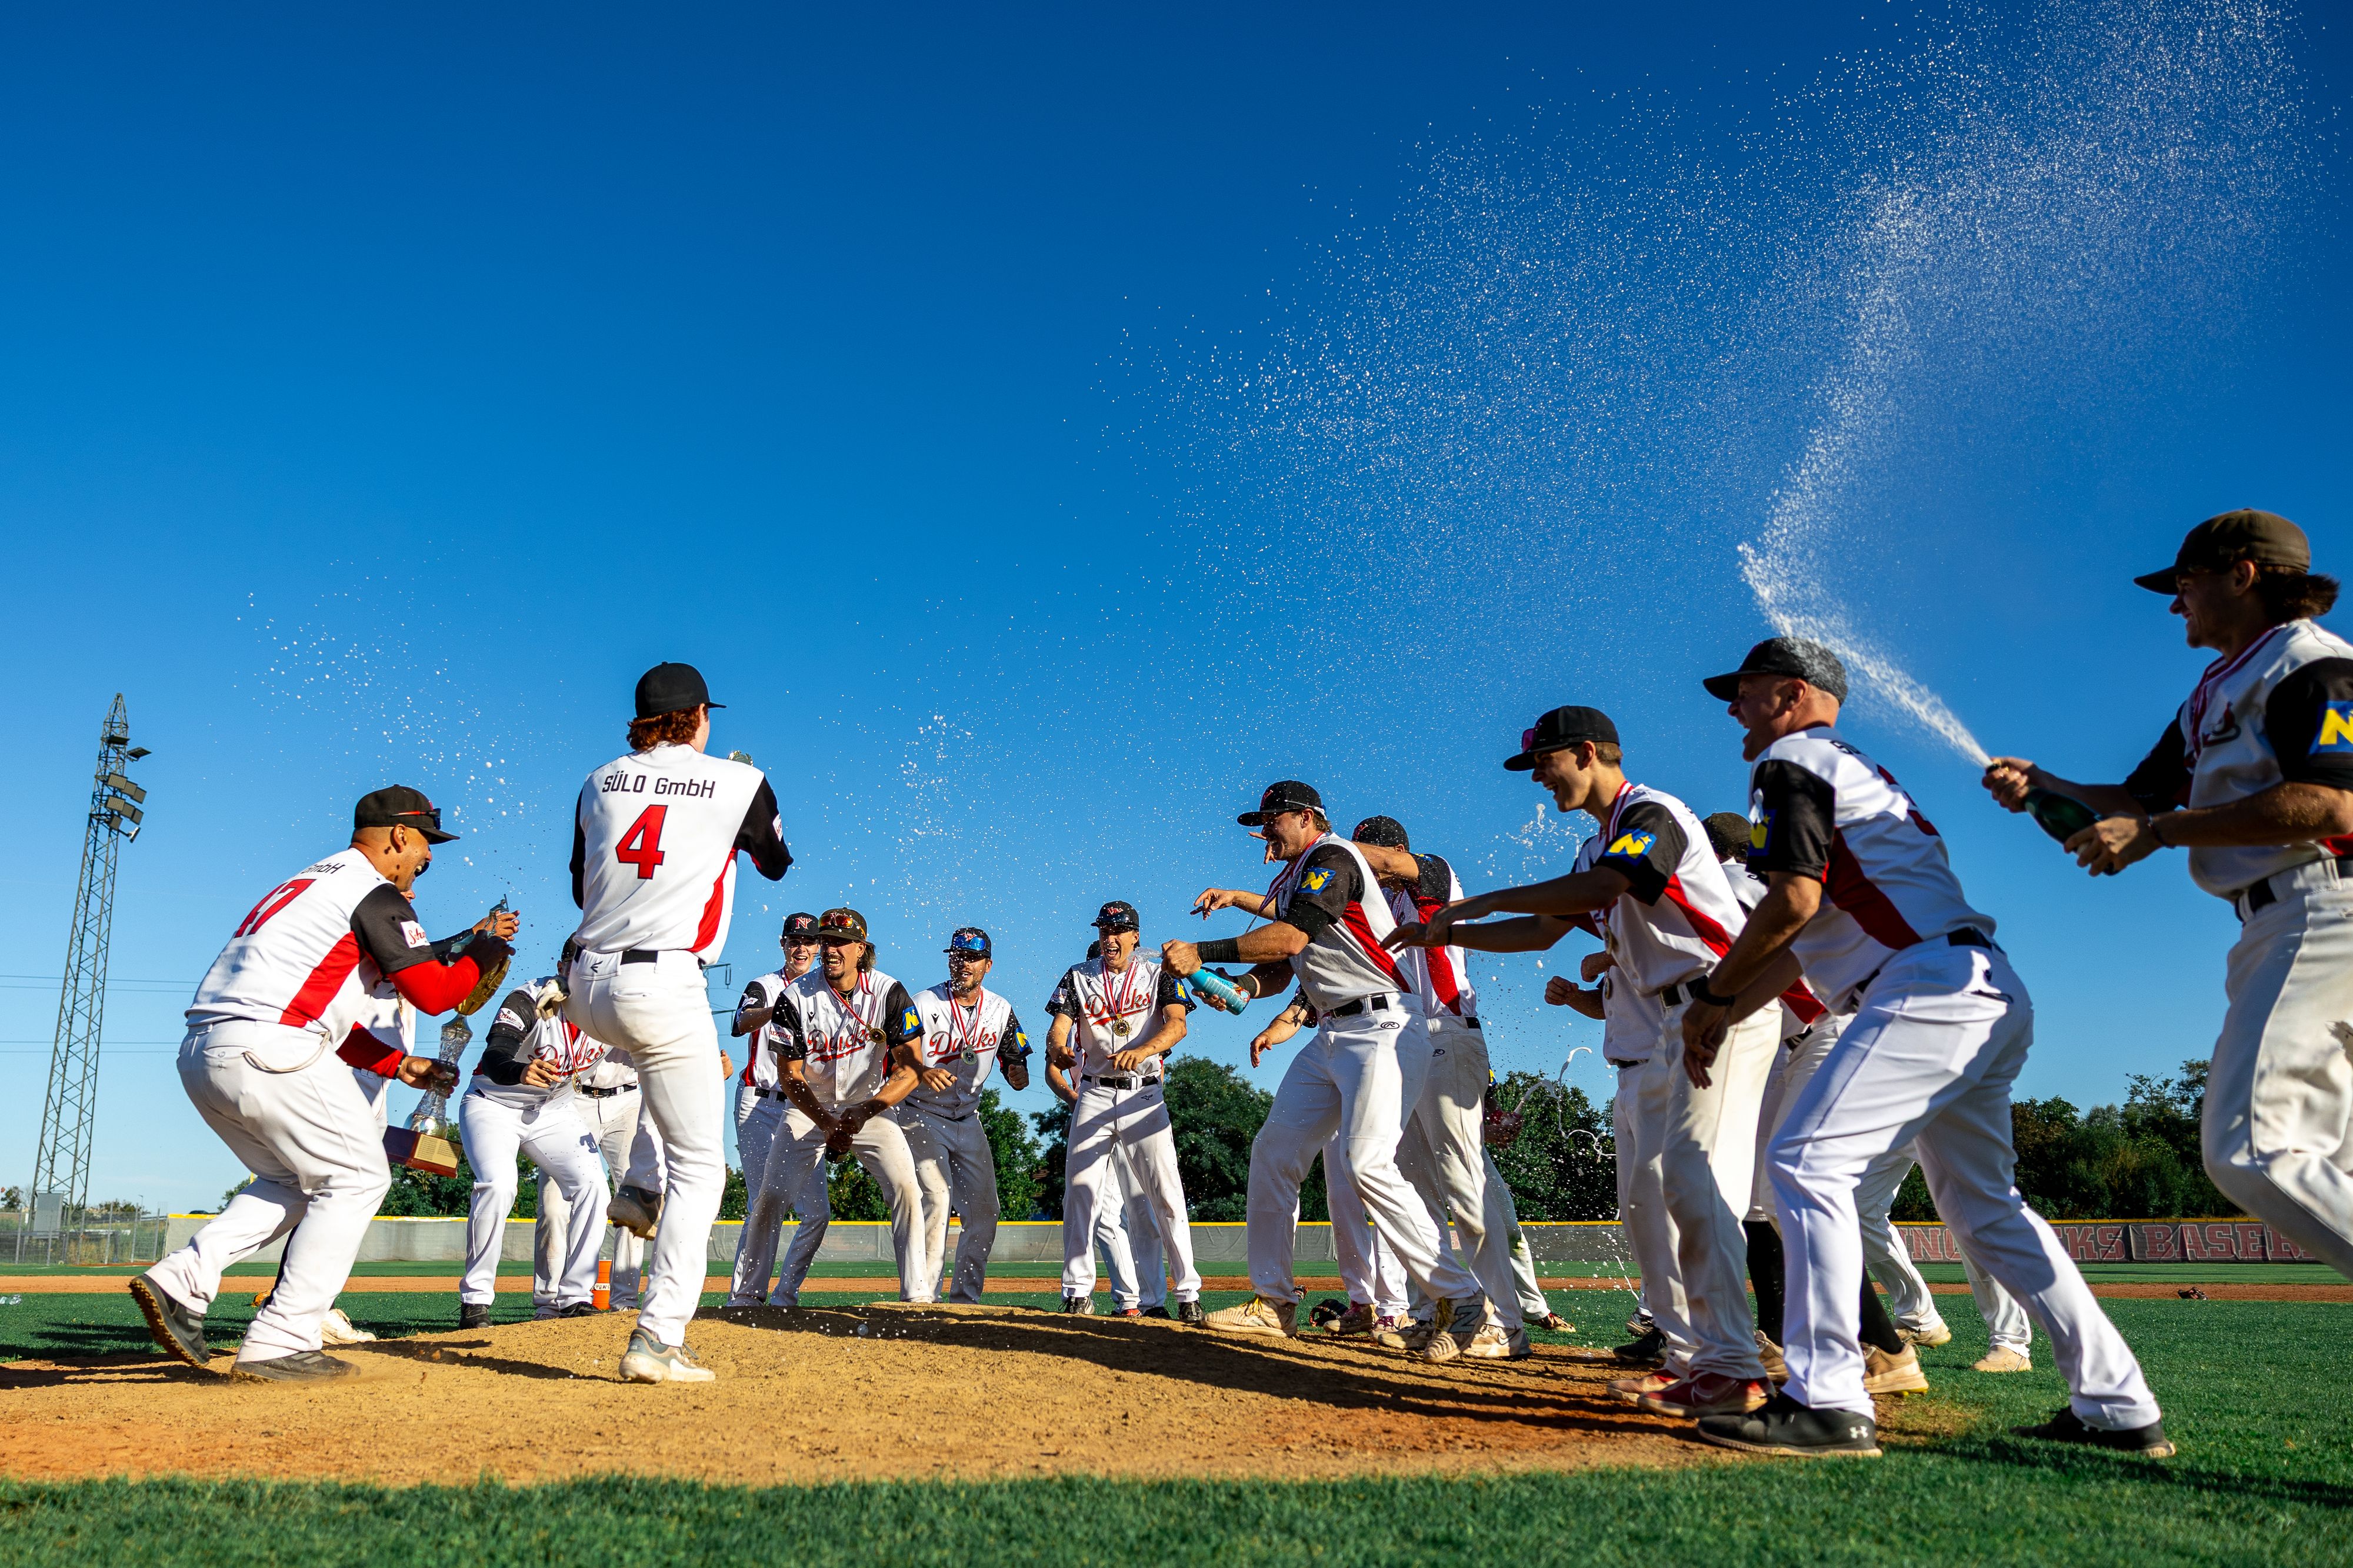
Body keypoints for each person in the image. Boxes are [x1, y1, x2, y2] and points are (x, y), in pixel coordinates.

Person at [1682, 635, 2167, 1459]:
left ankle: (1828, 1399)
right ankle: (2118, 1406)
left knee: (1804, 1162)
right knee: (1986, 1209)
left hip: (1925, 989)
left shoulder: (1788, 762)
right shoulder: (1854, 770)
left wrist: (1716, 992)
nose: (1734, 705)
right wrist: (1729, 1008)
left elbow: (1792, 902)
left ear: (1792, 694)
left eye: (1747, 689)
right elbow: (1812, 935)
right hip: (1978, 985)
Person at [1984, 510, 2353, 1279]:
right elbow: (2134, 798)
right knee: (2331, 1164)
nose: (2174, 602)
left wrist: (2159, 832)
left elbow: (2331, 805)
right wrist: (2046, 787)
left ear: (2244, 573)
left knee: (2254, 1148)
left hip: (2323, 910)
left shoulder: (2313, 664)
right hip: (2284, 917)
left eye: (2185, 582)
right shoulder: (2218, 688)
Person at [1396, 710, 1784, 1415]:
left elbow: (1608, 889)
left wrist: (1470, 903)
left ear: (1585, 752)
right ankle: (1688, 1356)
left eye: (1545, 761)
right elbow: (1544, 925)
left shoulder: (1651, 812)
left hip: (1719, 1009)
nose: (1540, 778)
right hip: (1666, 1025)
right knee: (1643, 1205)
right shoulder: (1592, 847)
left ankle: (1736, 1362)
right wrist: (1447, 928)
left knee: (1692, 1183)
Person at [132, 786, 516, 1380]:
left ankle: (182, 1280)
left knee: (294, 1180)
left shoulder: (311, 884)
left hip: (206, 1051)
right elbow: (438, 995)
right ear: (396, 835)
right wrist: (483, 945)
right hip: (268, 1048)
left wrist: (396, 1064)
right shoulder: (373, 889)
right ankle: (283, 1336)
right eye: (423, 843)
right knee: (360, 1174)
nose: (426, 858)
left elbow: (317, 1013)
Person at [1168, 782, 1485, 1350]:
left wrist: (1204, 952)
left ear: (1308, 817)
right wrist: (1239, 986)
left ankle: (1459, 1297)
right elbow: (1284, 968)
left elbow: (1290, 936)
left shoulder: (1333, 856)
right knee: (1274, 1152)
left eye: (1273, 819)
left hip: (1385, 1026)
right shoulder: (1293, 877)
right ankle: (1274, 1303)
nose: (1264, 830)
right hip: (1334, 1031)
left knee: (1366, 1163)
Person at [563, 661, 792, 1383]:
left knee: (652, 1072)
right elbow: (778, 863)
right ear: (696, 716)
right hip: (662, 978)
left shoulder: (599, 778)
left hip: (583, 978)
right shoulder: (736, 780)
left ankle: (637, 1182)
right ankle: (659, 1336)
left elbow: (581, 880)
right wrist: (733, 796)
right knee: (701, 1164)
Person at [1350, 816, 1525, 1359]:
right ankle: (1437, 1310)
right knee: (1414, 1184)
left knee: (1463, 1180)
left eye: (1370, 856)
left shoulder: (1433, 874)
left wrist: (1332, 848)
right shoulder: (1380, 908)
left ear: (1394, 851)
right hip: (1406, 1040)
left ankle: (1505, 1321)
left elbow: (1388, 866)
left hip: (1447, 1030)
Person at [761, 908, 932, 1305]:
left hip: (868, 1108)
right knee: (771, 1197)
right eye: (827, 940)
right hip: (809, 1108)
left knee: (907, 1188)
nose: (830, 948)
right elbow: (790, 1075)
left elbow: (909, 1069)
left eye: (840, 941)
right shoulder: (795, 996)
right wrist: (825, 1122)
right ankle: (750, 1296)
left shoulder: (890, 993)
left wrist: (866, 1112)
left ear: (861, 948)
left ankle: (917, 1295)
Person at [1046, 901, 1204, 1322]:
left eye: (1119, 930)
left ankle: (1187, 1293)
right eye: (1104, 930)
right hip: (1094, 1092)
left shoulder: (1158, 972)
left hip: (1143, 1094)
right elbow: (1060, 1025)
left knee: (1165, 1195)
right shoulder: (1079, 975)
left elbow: (1178, 1024)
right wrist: (1059, 1048)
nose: (1109, 937)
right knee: (1080, 1192)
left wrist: (1143, 1050)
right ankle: (1078, 1292)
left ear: (1136, 935)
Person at [457, 976, 610, 1327]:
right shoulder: (529, 999)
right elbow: (494, 1056)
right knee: (498, 1185)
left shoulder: (609, 1005)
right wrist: (521, 1070)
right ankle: (475, 1300)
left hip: (554, 1112)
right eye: (579, 963)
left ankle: (575, 1296)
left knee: (594, 1188)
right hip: (494, 1103)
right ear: (563, 966)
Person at [901, 926, 1034, 1303]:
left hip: (968, 1118)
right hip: (921, 1112)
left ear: (987, 965)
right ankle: (922, 1297)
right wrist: (921, 1069)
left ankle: (965, 1299)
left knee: (985, 1211)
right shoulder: (924, 1003)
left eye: (972, 958)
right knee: (937, 1197)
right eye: (957, 955)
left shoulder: (1001, 1009)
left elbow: (1016, 1071)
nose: (964, 963)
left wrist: (1019, 1072)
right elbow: (899, 1052)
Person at [726, 912, 829, 1306]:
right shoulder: (766, 986)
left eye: (809, 942)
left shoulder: (828, 994)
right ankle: (745, 1297)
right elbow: (740, 1022)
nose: (801, 948)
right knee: (763, 1204)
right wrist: (780, 1007)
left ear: (819, 948)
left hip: (805, 1108)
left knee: (817, 1212)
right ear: (783, 945)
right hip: (760, 1102)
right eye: (794, 940)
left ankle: (786, 1293)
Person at [535, 1044, 662, 1313]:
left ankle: (624, 1301)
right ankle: (549, 1302)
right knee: (553, 1206)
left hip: (627, 1100)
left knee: (634, 1199)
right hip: (572, 1097)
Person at [1045, 1050, 1166, 1315]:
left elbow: (1159, 1066)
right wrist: (1074, 1102)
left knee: (1142, 1210)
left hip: (1136, 1112)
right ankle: (1126, 1300)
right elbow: (1052, 1070)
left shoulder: (1137, 1014)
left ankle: (1152, 1301)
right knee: (1101, 1214)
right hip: (1091, 1115)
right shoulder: (1068, 1022)